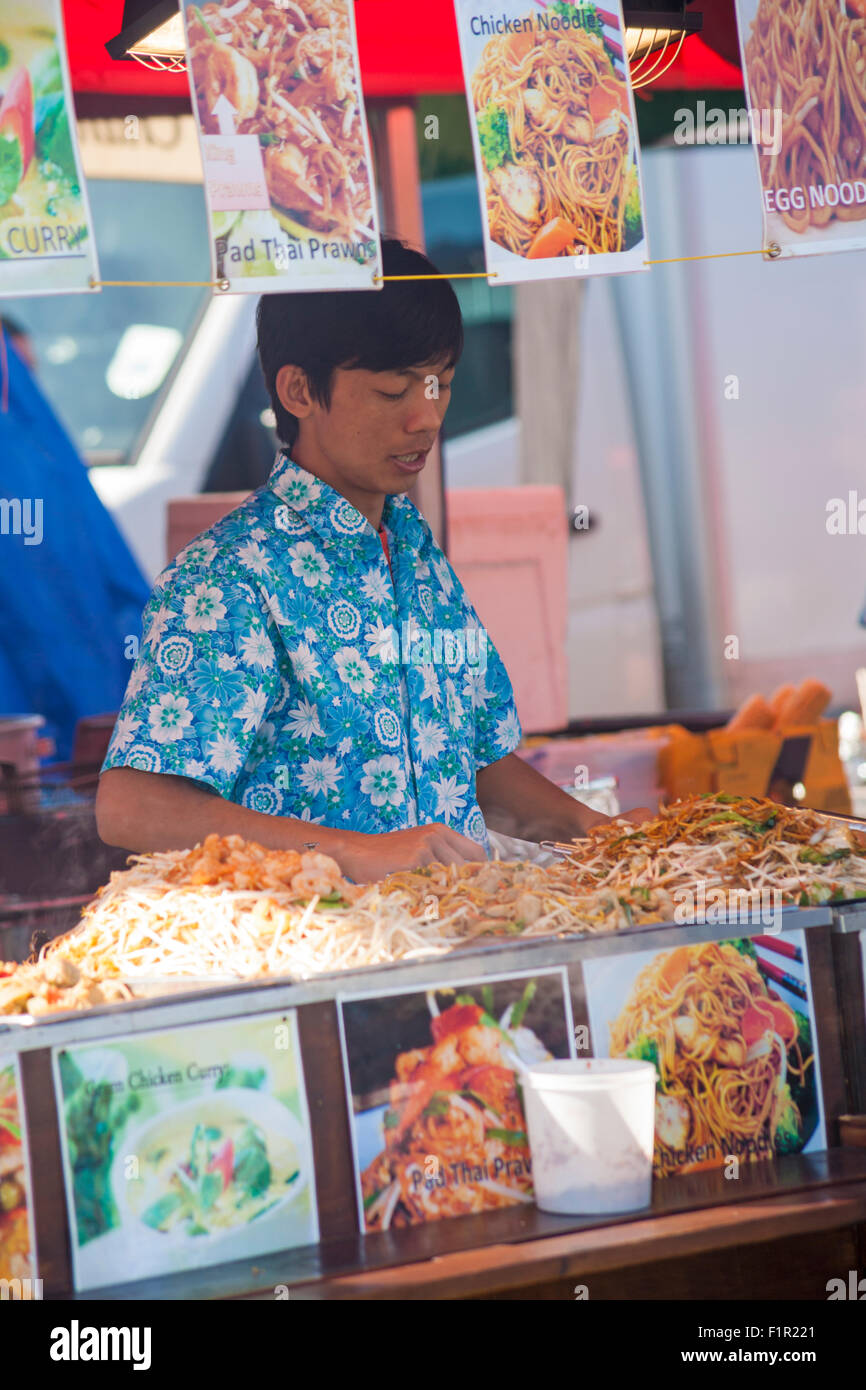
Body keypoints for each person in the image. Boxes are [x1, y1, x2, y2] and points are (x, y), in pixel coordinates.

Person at [96, 239, 648, 879]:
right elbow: (133, 808)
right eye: (393, 392)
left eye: (439, 383)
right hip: (315, 956)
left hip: (456, 943)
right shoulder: (229, 576)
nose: (428, 417)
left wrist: (601, 835)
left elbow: (471, 763)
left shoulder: (415, 553)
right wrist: (352, 852)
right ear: (299, 391)